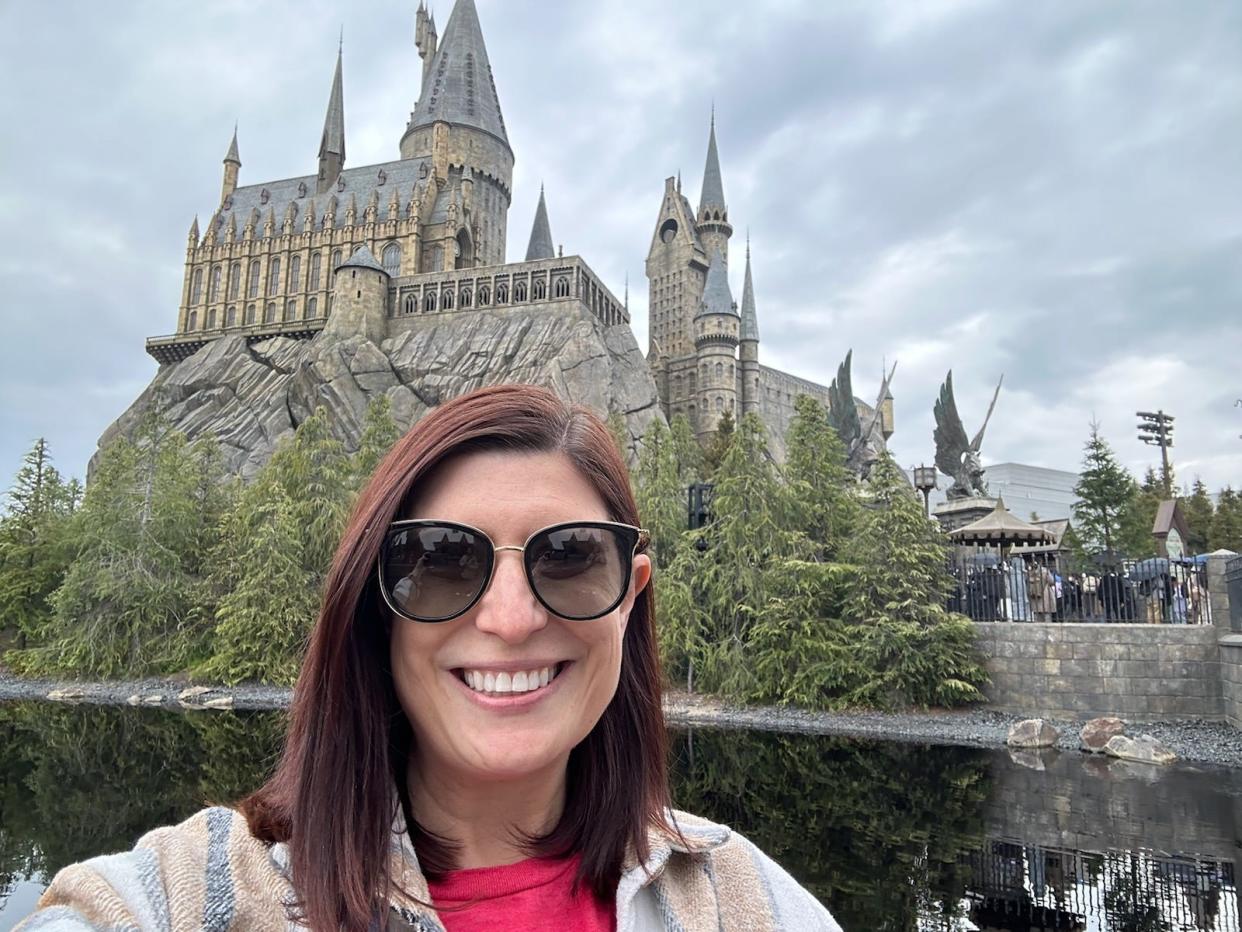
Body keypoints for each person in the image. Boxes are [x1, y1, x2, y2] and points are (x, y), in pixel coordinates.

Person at [19, 384, 839, 932]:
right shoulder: (201, 891)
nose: (511, 620)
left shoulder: (739, 899)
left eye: (571, 556)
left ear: (632, 592)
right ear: (375, 603)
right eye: (441, 559)